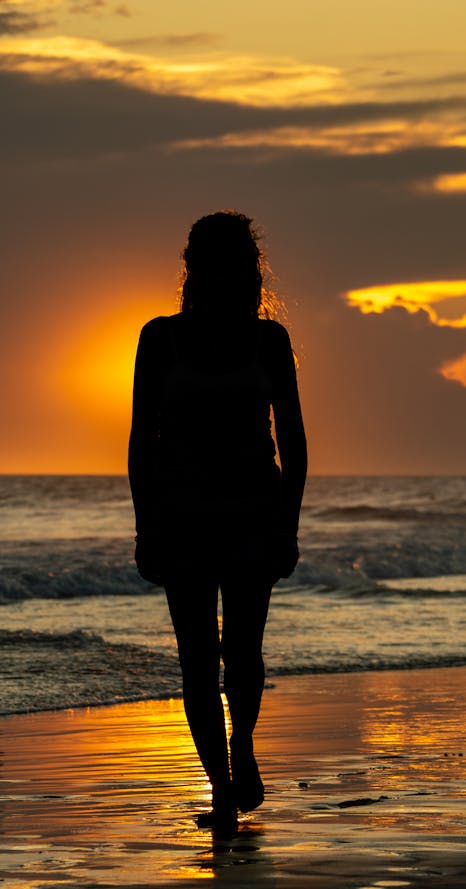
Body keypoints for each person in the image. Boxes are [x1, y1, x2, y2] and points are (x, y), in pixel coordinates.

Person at [128, 211, 307, 831]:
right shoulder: (159, 339)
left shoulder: (270, 340)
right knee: (199, 660)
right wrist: (144, 525)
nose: (230, 274)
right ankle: (222, 789)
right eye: (217, 263)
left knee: (242, 655)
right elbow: (140, 443)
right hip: (182, 520)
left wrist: (289, 525)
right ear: (194, 270)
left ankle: (243, 750)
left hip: (253, 515)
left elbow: (295, 442)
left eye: (238, 263)